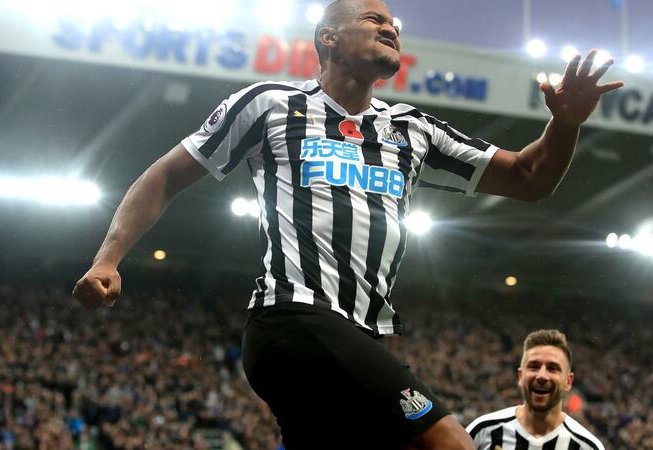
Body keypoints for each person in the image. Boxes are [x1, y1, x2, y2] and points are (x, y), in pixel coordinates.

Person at [72, 0, 622, 448]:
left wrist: (565, 125)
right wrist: (107, 258)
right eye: (373, 20)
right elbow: (166, 176)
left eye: (395, 25)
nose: (391, 29)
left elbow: (530, 177)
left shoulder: (413, 130)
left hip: (362, 338)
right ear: (327, 38)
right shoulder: (270, 106)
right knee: (451, 444)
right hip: (292, 319)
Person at [466, 330, 605, 450]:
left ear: (568, 382)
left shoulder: (587, 446)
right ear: (520, 376)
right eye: (534, 366)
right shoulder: (482, 431)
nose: (542, 376)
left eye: (552, 368)